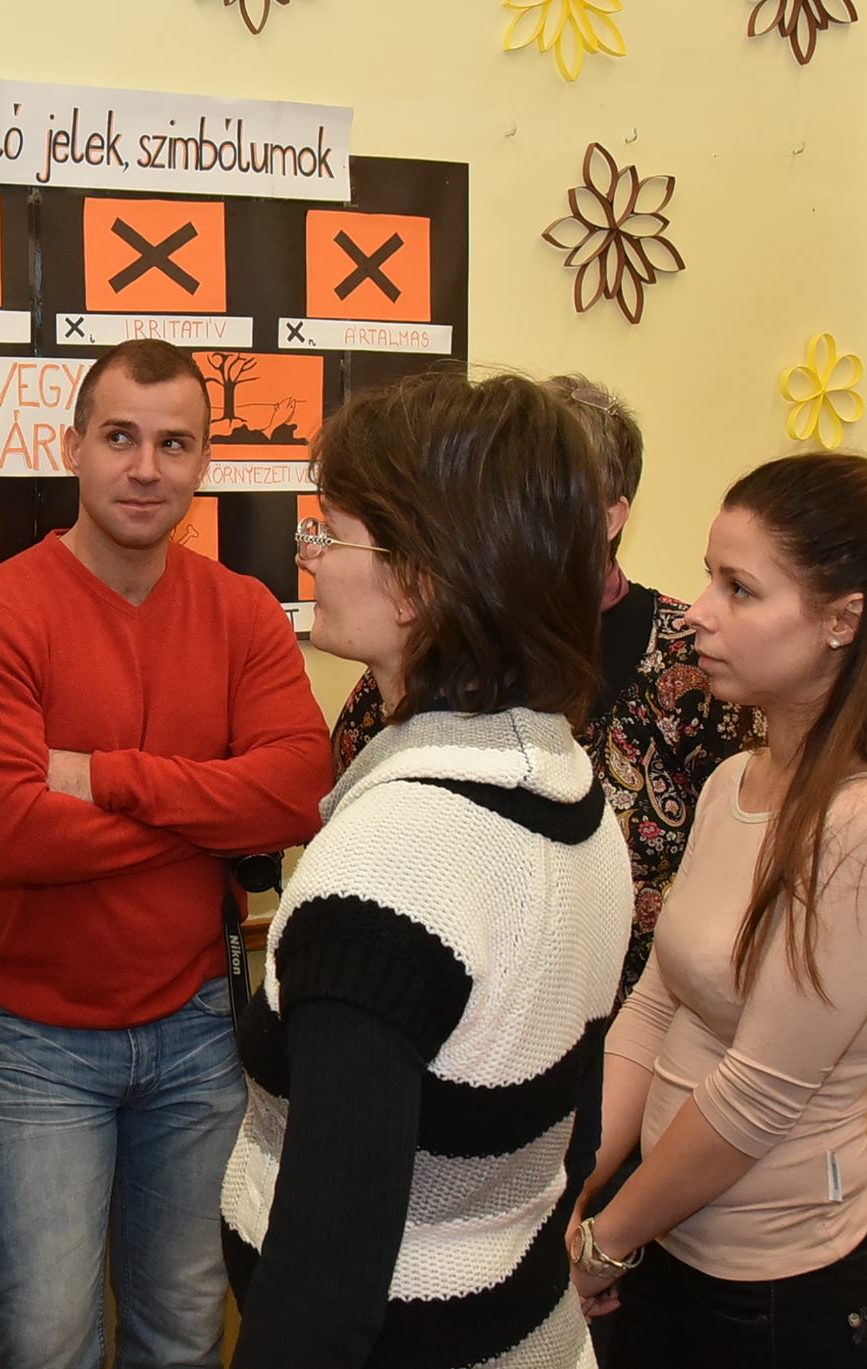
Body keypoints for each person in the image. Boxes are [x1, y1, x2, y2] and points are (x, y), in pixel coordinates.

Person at [221, 371, 634, 1368]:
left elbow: (324, 1289)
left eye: (329, 532)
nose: (308, 557)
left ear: (418, 578)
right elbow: (571, 1142)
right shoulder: (574, 794)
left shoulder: (388, 866)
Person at [0, 338, 332, 1369]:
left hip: (198, 1029)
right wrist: (210, 813)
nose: (145, 468)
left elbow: (298, 790)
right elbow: (11, 834)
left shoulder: (242, 610)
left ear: (204, 463)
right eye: (119, 438)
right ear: (71, 447)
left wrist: (104, 777)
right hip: (39, 1042)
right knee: (43, 1342)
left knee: (183, 1334)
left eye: (173, 444)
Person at [574, 454, 867, 1367]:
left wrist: (604, 1241)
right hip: (668, 1254)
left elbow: (758, 1093)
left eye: (740, 588)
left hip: (780, 1301)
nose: (699, 611)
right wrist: (573, 1184)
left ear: (844, 620)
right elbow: (655, 1007)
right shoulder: (732, 782)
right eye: (708, 577)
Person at [327, 374, 760, 1004]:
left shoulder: (695, 664)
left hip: (654, 1019)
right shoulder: (427, 650)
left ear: (610, 516)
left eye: (538, 493)